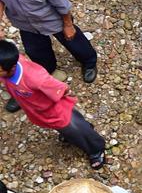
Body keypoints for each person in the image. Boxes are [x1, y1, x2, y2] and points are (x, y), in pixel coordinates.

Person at [0, 40, 105, 169]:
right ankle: (75, 131)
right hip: (37, 109)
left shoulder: (36, 78)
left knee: (75, 127)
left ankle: (96, 149)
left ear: (11, 67)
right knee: (67, 128)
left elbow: (62, 88)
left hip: (54, 110)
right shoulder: (8, 66)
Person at [0, 0, 98, 85]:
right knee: (35, 51)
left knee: (74, 42)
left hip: (51, 20)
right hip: (25, 24)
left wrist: (68, 25)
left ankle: (89, 62)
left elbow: (62, 5)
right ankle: (48, 69)